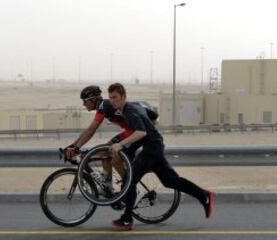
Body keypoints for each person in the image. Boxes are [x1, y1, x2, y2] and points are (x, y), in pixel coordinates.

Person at [108, 83, 214, 231]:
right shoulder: (135, 105)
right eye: (110, 98)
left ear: (124, 97)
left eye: (115, 97)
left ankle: (127, 219)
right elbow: (154, 116)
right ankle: (205, 196)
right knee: (170, 181)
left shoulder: (130, 111)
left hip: (151, 148)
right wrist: (150, 128)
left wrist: (121, 144)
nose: (113, 101)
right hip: (155, 145)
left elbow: (141, 132)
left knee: (130, 178)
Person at [64, 85, 159, 188]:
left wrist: (76, 147)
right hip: (131, 131)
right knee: (105, 150)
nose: (83, 104)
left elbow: (91, 130)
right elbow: (88, 130)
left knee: (115, 160)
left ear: (93, 99)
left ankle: (129, 187)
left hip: (137, 132)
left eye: (85, 101)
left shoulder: (104, 106)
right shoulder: (105, 106)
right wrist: (73, 145)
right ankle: (109, 183)